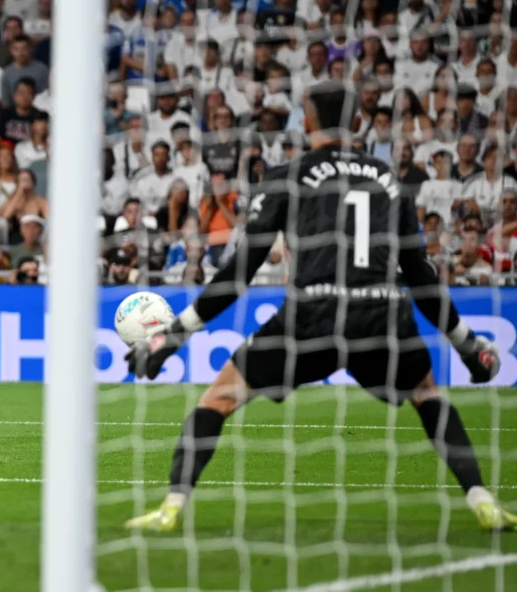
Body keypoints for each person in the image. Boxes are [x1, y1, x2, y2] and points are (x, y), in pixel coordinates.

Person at [123, 82, 515, 533]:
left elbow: (239, 274)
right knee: (427, 396)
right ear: (355, 124)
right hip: (381, 314)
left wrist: (172, 336)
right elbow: (421, 277)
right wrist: (468, 346)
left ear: (305, 123)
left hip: (311, 314)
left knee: (218, 398)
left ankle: (171, 507)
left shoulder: (288, 174)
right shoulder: (389, 179)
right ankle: (482, 500)